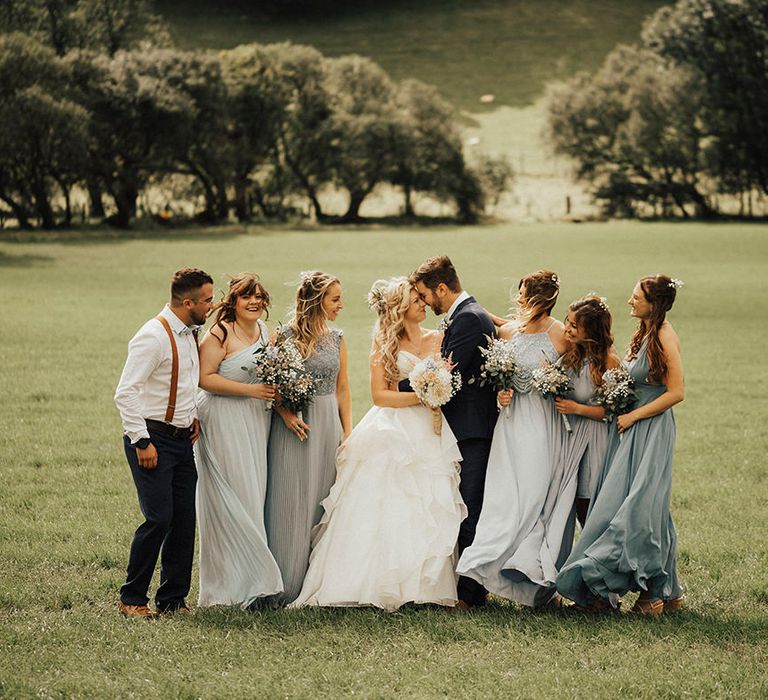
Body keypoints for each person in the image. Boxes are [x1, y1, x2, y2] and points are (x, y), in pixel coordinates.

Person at [290, 278, 466, 611]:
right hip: (392, 427)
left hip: (430, 430)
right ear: (401, 305)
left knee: (428, 503)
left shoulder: (439, 339)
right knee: (386, 502)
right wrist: (423, 396)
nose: (423, 304)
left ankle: (424, 586)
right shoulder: (384, 341)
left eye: (422, 299)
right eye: (416, 299)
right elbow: (380, 396)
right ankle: (370, 581)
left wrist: (437, 394)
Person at [556, 274, 686, 616]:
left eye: (636, 297)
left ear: (653, 304)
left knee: (642, 508)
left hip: (650, 428)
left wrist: (633, 416)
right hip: (630, 428)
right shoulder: (644, 333)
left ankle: (651, 594)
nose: (630, 302)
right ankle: (668, 592)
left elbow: (676, 392)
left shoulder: (664, 334)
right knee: (649, 506)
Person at [456, 270, 571, 609]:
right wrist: (500, 391)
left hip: (542, 424)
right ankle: (488, 570)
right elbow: (489, 323)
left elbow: (580, 366)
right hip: (509, 424)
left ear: (539, 299)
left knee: (535, 498)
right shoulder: (508, 332)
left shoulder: (561, 334)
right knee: (504, 498)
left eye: (523, 295)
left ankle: (534, 580)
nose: (519, 299)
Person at [114, 268, 214, 618]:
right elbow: (125, 393)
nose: (211, 306)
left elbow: (185, 382)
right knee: (158, 518)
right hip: (151, 438)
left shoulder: (190, 333)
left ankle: (172, 600)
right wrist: (141, 442)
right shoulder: (153, 336)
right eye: (207, 300)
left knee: (185, 520)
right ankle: (131, 598)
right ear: (188, 303)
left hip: (182, 438)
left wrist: (191, 416)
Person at [404, 255, 497, 610]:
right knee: (462, 504)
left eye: (427, 295)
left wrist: (397, 387)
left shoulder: (469, 319)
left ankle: (471, 593)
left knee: (470, 507)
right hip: (466, 426)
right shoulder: (464, 315)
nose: (426, 302)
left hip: (473, 429)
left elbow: (447, 378)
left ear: (442, 288)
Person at [194, 273, 284, 608]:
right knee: (232, 498)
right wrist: (251, 391)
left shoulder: (263, 331)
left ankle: (253, 582)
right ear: (233, 300)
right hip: (223, 420)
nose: (255, 302)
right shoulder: (219, 332)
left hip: (255, 421)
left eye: (260, 297)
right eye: (248, 297)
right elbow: (204, 378)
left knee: (253, 496)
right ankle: (227, 588)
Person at [265, 271, 352, 605]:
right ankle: (284, 583)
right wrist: (285, 414)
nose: (341, 305)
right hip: (292, 427)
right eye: (335, 299)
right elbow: (270, 385)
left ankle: (316, 583)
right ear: (316, 301)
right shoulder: (283, 337)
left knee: (321, 496)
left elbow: (343, 389)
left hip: (327, 422)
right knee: (290, 497)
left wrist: (348, 432)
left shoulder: (339, 338)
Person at [555, 295, 621, 527]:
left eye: (575, 325)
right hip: (572, 436)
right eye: (568, 322)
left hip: (596, 439)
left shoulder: (609, 361)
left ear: (591, 330)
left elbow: (612, 412)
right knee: (570, 498)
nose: (568, 329)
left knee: (589, 498)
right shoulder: (574, 353)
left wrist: (577, 408)